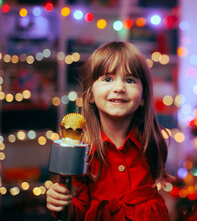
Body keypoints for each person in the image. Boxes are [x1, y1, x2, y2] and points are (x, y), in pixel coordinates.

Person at [46, 41, 172, 220]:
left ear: (143, 97)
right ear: (89, 94)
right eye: (107, 79)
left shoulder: (153, 142)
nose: (119, 88)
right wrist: (61, 203)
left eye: (129, 80)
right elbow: (77, 212)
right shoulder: (82, 152)